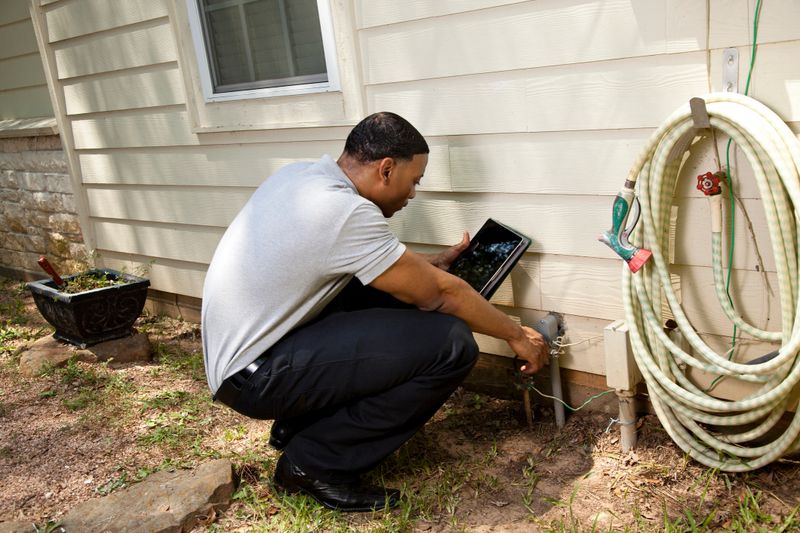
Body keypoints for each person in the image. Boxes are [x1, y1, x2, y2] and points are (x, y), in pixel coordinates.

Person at [201, 111, 548, 512]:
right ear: (386, 169)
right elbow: (441, 297)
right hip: (256, 377)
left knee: (388, 292)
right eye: (414, 180)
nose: (413, 194)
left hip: (247, 360)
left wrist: (428, 265)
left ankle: (300, 424)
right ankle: (312, 465)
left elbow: (364, 261)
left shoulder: (303, 178)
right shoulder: (345, 212)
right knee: (450, 344)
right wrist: (517, 335)